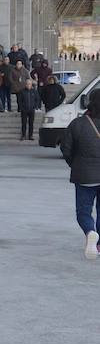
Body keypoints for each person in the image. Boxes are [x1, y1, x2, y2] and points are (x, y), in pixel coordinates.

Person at [60, 90, 100, 260]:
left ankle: (90, 232)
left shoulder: (78, 123)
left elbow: (66, 148)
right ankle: (98, 245)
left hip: (85, 176)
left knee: (83, 211)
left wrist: (75, 164)